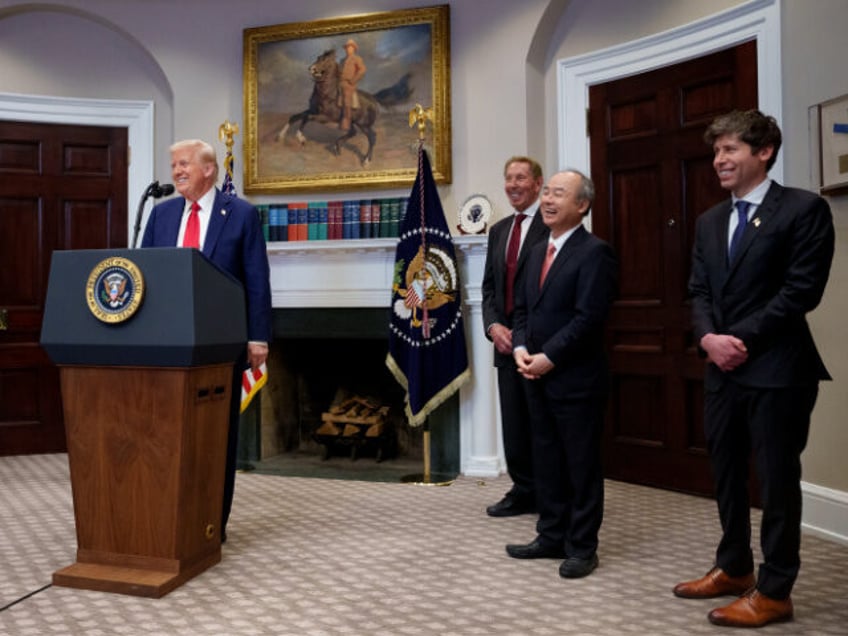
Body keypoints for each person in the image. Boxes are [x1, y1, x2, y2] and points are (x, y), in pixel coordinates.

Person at [675, 110, 834, 628]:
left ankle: (776, 590)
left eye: (730, 150)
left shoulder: (803, 210)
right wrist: (706, 338)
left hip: (778, 369)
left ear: (763, 152)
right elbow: (698, 290)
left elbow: (800, 292)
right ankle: (734, 567)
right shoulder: (709, 221)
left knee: (776, 481)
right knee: (726, 473)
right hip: (722, 369)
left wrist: (737, 339)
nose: (719, 160)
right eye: (716, 151)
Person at [141, 139, 273, 543]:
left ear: (209, 170)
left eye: (185, 164)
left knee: (217, 436)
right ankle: (164, 517)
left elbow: (256, 279)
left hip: (221, 343)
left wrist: (258, 338)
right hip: (167, 343)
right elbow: (144, 272)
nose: (177, 171)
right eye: (174, 164)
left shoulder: (241, 215)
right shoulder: (160, 214)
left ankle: (213, 522)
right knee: (165, 433)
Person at [505, 169, 618, 579]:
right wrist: (520, 349)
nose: (548, 200)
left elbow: (589, 319)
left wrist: (549, 356)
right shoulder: (536, 251)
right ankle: (551, 535)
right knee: (546, 459)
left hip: (576, 378)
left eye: (559, 194)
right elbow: (520, 310)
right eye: (547, 193)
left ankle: (582, 546)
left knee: (580, 464)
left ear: (582, 205)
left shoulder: (595, 253)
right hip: (534, 374)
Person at [481, 156, 547, 517]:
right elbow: (489, 289)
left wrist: (521, 333)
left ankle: (549, 492)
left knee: (541, 422)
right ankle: (523, 489)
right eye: (508, 178)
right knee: (514, 425)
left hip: (539, 345)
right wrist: (493, 327)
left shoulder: (551, 225)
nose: (513, 184)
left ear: (538, 184)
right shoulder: (499, 230)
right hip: (504, 342)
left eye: (521, 178)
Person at [339, 38, 366, 132]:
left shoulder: (357, 59)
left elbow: (362, 70)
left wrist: (353, 80)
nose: (348, 49)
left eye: (350, 48)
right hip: (340, 82)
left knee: (347, 101)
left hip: (349, 84)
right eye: (346, 48)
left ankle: (346, 122)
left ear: (354, 49)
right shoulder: (342, 60)